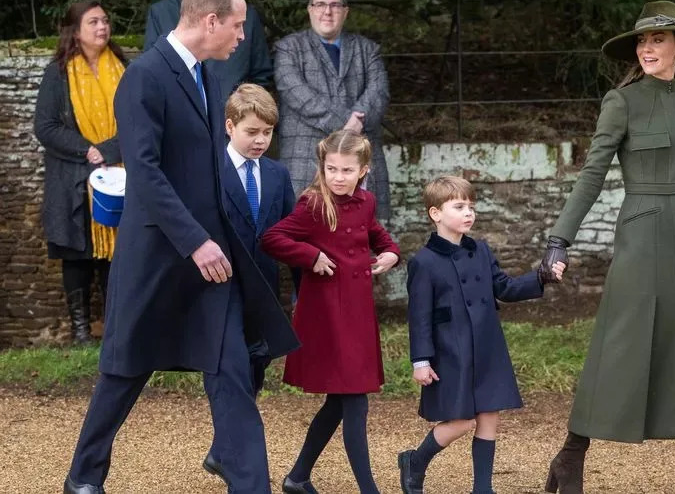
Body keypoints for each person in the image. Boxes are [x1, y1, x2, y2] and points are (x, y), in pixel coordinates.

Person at [63, 0, 298, 494]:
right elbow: (145, 173)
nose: (242, 36)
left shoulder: (209, 78)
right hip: (157, 256)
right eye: (237, 26)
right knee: (126, 370)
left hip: (212, 258)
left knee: (233, 367)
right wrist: (194, 241)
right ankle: (83, 478)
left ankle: (248, 483)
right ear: (210, 21)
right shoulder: (144, 77)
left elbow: (212, 170)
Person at [538, 1, 675, 494]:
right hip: (641, 234)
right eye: (641, 42)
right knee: (620, 345)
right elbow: (593, 172)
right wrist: (560, 238)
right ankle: (570, 458)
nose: (646, 49)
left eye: (657, 40)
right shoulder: (622, 102)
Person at [397, 176, 566, 494]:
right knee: (460, 421)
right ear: (435, 213)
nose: (468, 213)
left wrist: (541, 277)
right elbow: (418, 316)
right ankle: (416, 461)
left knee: (489, 415)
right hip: (451, 351)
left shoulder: (482, 251)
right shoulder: (423, 262)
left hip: (487, 346)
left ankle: (483, 488)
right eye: (459, 206)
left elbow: (505, 287)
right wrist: (421, 360)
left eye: (471, 207)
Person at [261, 130, 400, 494]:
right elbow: (273, 238)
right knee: (355, 401)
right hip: (327, 315)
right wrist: (311, 256)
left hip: (358, 312)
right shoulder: (312, 204)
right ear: (322, 167)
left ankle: (297, 477)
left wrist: (390, 253)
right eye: (331, 169)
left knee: (340, 402)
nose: (338, 177)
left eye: (346, 170)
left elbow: (376, 234)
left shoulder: (367, 202)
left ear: (363, 170)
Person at [203, 82, 298, 481]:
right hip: (219, 290)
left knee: (257, 365)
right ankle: (239, 464)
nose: (261, 140)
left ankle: (221, 452)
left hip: (264, 292)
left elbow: (291, 234)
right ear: (229, 126)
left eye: (267, 132)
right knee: (230, 372)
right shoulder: (208, 172)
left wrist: (300, 291)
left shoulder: (277, 174)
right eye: (252, 132)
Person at [34, 0, 126, 344]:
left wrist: (108, 150)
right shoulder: (57, 72)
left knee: (116, 255)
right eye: (93, 22)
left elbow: (138, 119)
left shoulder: (125, 69)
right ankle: (80, 332)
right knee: (77, 254)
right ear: (75, 31)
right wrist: (86, 149)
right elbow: (46, 126)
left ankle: (114, 328)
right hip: (71, 177)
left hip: (118, 174)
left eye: (105, 20)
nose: (102, 27)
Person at [274, 0, 392, 220]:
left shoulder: (368, 49)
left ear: (345, 11)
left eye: (335, 5)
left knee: (362, 236)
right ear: (309, 9)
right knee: (306, 239)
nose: (327, 12)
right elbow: (296, 94)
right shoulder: (288, 48)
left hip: (360, 160)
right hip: (305, 158)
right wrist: (348, 125)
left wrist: (357, 121)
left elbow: (378, 92)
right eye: (320, 4)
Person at [143, 0, 273, 102]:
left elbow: (261, 74)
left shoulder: (246, 15)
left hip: (234, 114)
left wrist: (245, 111)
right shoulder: (162, 12)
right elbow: (153, 67)